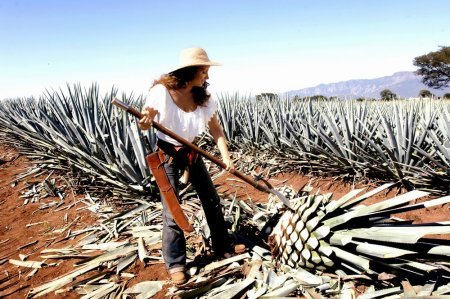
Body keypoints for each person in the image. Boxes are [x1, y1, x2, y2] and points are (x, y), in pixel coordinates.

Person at [138, 47, 245, 285]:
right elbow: (146, 122)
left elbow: (216, 129)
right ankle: (176, 264)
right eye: (204, 71)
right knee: (172, 209)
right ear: (191, 71)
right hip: (166, 154)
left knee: (210, 198)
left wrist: (225, 156)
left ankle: (222, 245)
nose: (207, 76)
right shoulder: (161, 93)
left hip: (192, 152)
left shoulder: (203, 97)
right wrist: (145, 122)